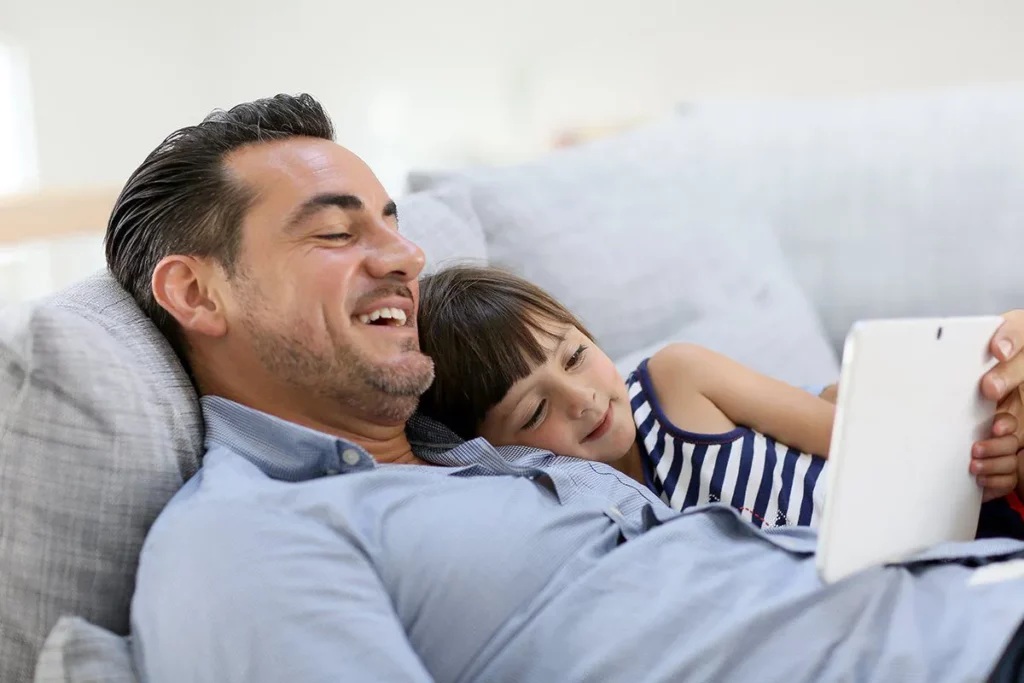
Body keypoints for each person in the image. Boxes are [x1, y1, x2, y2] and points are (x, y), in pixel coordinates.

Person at [111, 93, 1024, 683]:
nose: (404, 257)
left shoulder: (485, 455)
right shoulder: (250, 534)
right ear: (198, 292)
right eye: (335, 233)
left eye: (391, 222)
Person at [415, 265, 1018, 530]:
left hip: (941, 506)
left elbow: (854, 433)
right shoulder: (588, 516)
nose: (582, 399)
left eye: (575, 356)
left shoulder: (677, 380)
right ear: (498, 451)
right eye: (535, 410)